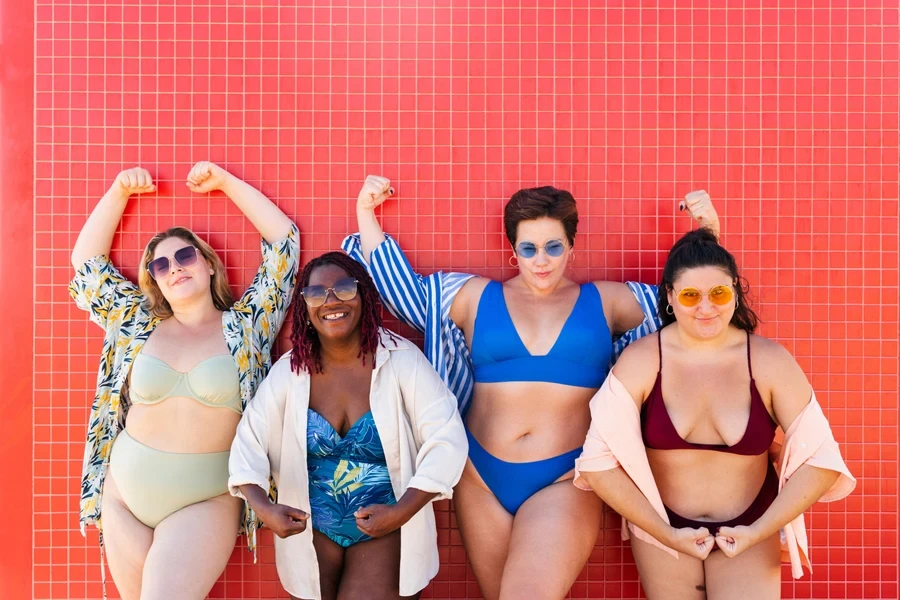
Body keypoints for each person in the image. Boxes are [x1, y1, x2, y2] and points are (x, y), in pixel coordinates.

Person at [342, 176, 721, 599]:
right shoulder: (475, 296)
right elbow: (404, 293)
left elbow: (689, 304)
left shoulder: (607, 301)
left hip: (563, 477)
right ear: (513, 250)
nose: (541, 260)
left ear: (571, 246)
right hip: (479, 477)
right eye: (529, 248)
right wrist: (365, 214)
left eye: (553, 247)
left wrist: (707, 234)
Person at [574, 229, 856, 599]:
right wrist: (667, 534)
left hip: (753, 523)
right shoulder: (643, 361)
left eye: (718, 293)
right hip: (662, 529)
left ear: (735, 292)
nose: (706, 308)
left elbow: (822, 461)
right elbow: (596, 464)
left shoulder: (770, 361)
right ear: (671, 297)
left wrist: (759, 530)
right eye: (691, 295)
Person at [68, 162, 299, 599]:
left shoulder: (247, 326)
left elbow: (283, 243)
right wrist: (119, 192)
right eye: (160, 264)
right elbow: (87, 266)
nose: (174, 266)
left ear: (209, 265)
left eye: (185, 254)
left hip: (205, 498)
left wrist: (226, 183)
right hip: (123, 494)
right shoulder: (137, 322)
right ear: (154, 280)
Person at [228, 252, 468, 600]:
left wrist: (402, 512)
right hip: (310, 532)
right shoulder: (289, 372)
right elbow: (248, 441)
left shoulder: (400, 360)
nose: (330, 301)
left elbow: (446, 439)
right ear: (305, 307)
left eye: (343, 288)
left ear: (364, 295)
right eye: (316, 294)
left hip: (387, 527)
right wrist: (264, 507)